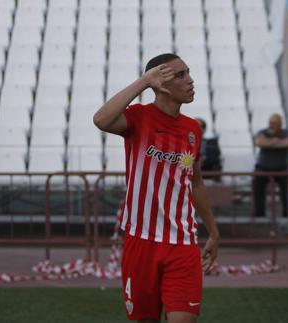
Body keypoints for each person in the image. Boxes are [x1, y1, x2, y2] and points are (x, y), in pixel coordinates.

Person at [93, 53, 220, 323]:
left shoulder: (192, 129)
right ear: (160, 84)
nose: (190, 80)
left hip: (183, 244)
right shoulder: (138, 118)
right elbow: (101, 120)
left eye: (188, 72)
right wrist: (144, 82)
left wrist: (214, 232)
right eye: (180, 75)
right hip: (141, 241)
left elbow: (195, 182)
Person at [253, 113, 288, 218]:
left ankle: (287, 214)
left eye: (274, 123)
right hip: (263, 168)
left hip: (282, 168)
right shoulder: (262, 132)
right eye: (270, 123)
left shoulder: (287, 133)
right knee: (257, 184)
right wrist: (276, 142)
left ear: (280, 124)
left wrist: (269, 143)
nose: (271, 125)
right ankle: (259, 214)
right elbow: (259, 142)